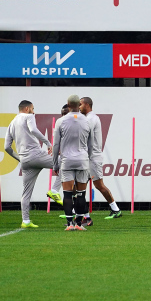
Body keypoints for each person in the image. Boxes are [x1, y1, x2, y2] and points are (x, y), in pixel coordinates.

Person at [4, 100, 54, 229]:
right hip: (36, 155)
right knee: (65, 164)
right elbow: (33, 130)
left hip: (25, 160)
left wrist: (19, 158)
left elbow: (6, 147)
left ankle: (25, 221)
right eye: (33, 109)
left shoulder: (12, 123)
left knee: (26, 193)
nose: (34, 111)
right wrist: (48, 143)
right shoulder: (28, 116)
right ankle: (55, 190)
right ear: (27, 109)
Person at [76, 96, 122, 224]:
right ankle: (84, 215)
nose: (79, 107)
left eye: (80, 104)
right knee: (80, 187)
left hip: (92, 158)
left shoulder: (91, 118)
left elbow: (83, 134)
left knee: (98, 185)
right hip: (88, 157)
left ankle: (115, 209)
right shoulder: (89, 118)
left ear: (87, 105)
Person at [53, 95, 94, 231]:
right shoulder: (87, 121)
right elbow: (91, 144)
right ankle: (79, 224)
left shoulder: (60, 121)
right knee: (81, 193)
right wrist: (87, 159)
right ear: (79, 105)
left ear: (68, 105)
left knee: (67, 193)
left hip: (67, 161)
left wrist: (55, 163)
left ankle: (70, 223)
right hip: (82, 160)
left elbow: (56, 144)